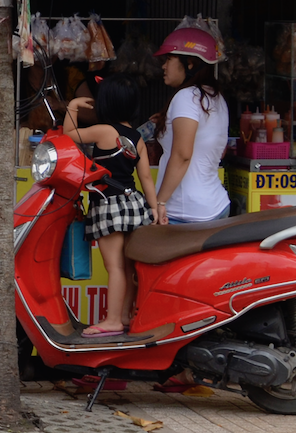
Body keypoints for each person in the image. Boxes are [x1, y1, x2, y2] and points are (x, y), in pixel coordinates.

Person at [62, 78, 160, 337]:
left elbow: (69, 136)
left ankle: (113, 320)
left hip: (109, 205)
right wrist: (156, 210)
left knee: (114, 267)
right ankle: (126, 315)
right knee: (127, 267)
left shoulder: (104, 131)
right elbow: (146, 178)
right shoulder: (137, 136)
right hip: (134, 203)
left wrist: (73, 106)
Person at [151, 27, 231, 225]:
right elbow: (216, 151)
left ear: (189, 63)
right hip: (215, 204)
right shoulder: (216, 97)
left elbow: (182, 155)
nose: (164, 66)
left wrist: (160, 202)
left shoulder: (187, 97)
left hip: (187, 212)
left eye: (169, 59)